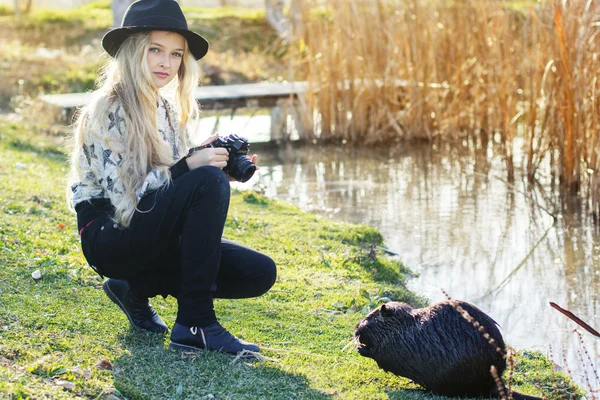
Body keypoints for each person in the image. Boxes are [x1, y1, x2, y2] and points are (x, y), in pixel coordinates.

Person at [66, 0, 276, 355]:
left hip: (147, 232)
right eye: (156, 50)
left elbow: (168, 184)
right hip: (108, 235)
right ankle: (196, 323)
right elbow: (124, 202)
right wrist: (189, 169)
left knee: (259, 272)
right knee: (202, 177)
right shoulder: (108, 108)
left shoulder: (162, 106)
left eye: (176, 55)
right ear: (134, 53)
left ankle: (133, 286)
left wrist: (212, 168)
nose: (167, 63)